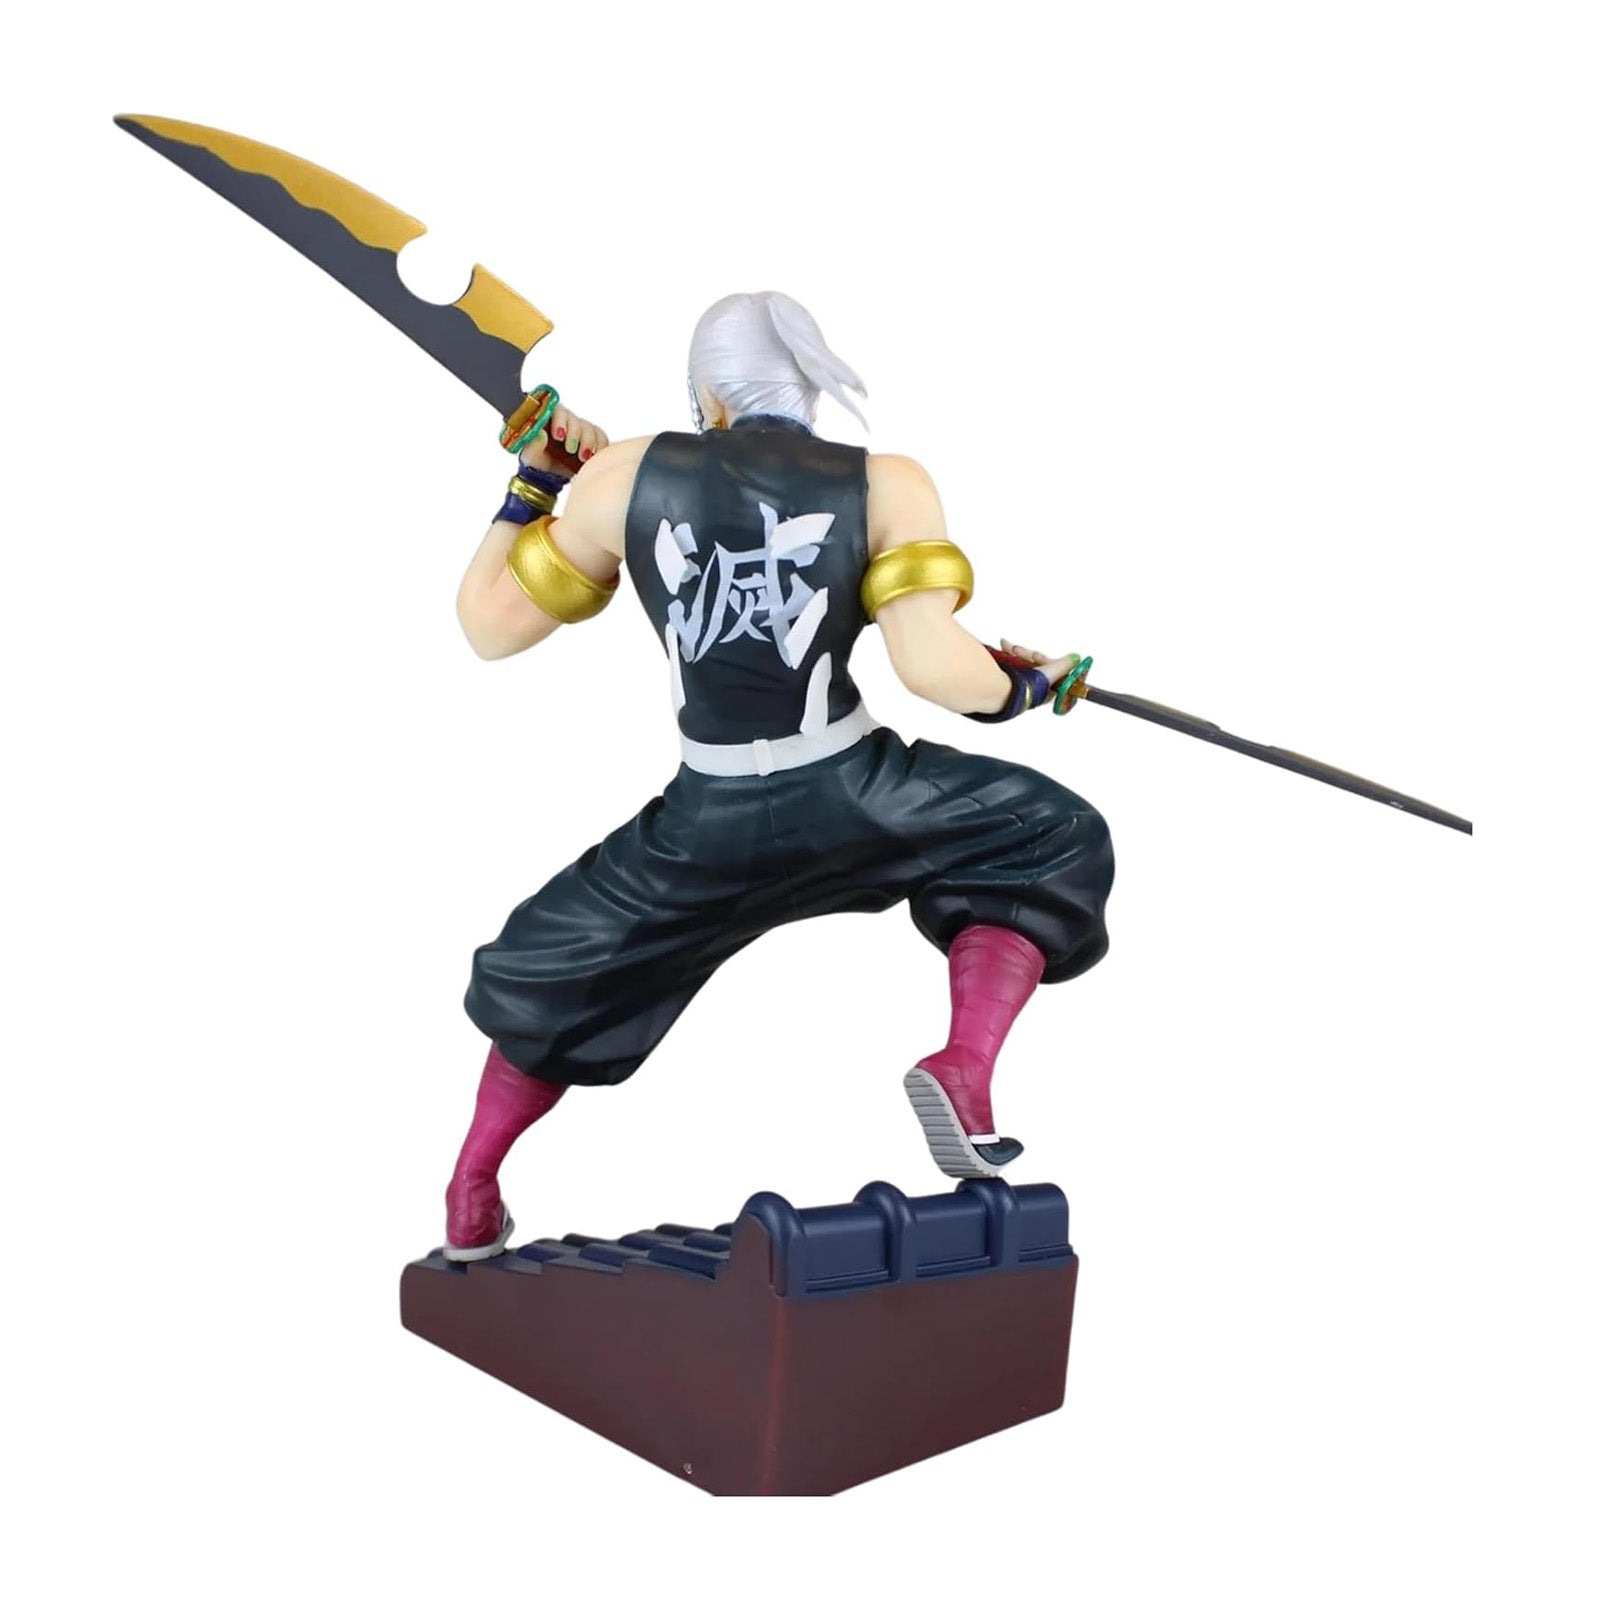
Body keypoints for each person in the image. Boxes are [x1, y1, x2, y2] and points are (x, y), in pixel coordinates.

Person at [443, 291, 1114, 1259]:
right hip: (856, 793)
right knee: (1049, 834)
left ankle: (473, 1186)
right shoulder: (888, 483)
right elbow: (936, 669)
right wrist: (1025, 689)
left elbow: (489, 627)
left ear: (706, 395)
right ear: (808, 388)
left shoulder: (620, 475)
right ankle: (964, 1065)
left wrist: (533, 488)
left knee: (559, 962)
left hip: (707, 816)